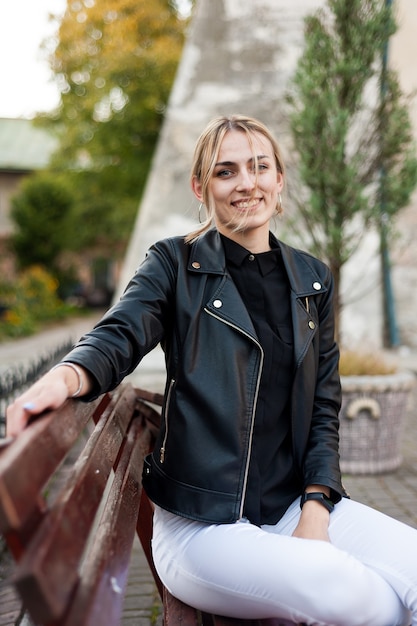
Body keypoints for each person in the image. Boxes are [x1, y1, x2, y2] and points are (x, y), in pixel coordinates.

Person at [6, 115, 417, 626]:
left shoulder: (312, 279)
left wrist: (316, 506)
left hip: (292, 504)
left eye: (260, 166)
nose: (247, 183)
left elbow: (324, 407)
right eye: (227, 172)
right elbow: (119, 334)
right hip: (203, 526)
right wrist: (66, 376)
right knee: (359, 596)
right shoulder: (174, 266)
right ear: (201, 188)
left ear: (279, 179)